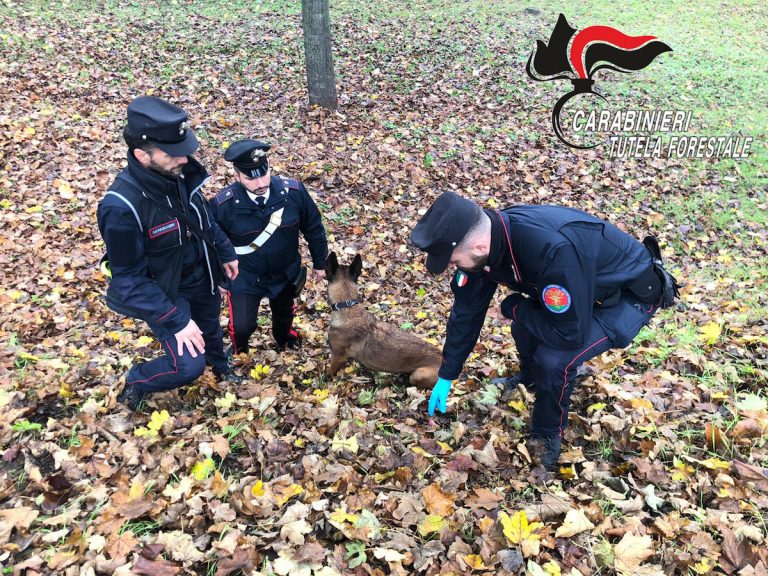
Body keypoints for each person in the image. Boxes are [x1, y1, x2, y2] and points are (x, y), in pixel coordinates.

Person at [411, 191, 678, 470]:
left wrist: (514, 307)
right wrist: (448, 372)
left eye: (453, 261)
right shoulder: (489, 242)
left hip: (626, 296)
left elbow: (569, 334)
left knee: (554, 359)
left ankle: (548, 433)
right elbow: (467, 310)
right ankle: (531, 381)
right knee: (526, 327)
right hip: (582, 287)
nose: (453, 267)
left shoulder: (550, 250)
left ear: (478, 247)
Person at [97, 96, 241, 411]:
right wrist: (176, 321)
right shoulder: (121, 208)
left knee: (211, 329)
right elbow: (129, 281)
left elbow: (203, 219)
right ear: (141, 155)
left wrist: (225, 251)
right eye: (174, 153)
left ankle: (220, 368)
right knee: (187, 366)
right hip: (165, 291)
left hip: (200, 274)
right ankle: (137, 379)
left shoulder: (179, 175)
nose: (185, 159)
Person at [211, 139, 328, 354]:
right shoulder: (223, 205)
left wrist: (320, 263)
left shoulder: (294, 192)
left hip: (284, 271)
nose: (260, 183)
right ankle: (240, 351)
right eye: (250, 178)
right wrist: (220, 278)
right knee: (241, 327)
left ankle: (285, 342)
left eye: (263, 174)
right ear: (236, 176)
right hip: (244, 275)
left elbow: (314, 229)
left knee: (284, 318)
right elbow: (213, 245)